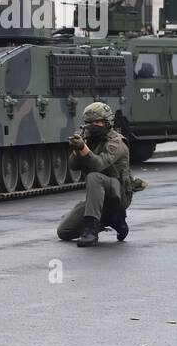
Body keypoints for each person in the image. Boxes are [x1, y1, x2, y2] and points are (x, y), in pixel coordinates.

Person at [56, 101, 135, 247]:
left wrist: (83, 148)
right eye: (89, 123)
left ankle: (91, 229)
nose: (93, 126)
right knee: (64, 231)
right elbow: (73, 166)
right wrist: (77, 149)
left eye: (97, 122)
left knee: (94, 177)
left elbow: (98, 165)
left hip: (118, 195)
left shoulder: (117, 143)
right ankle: (113, 220)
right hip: (98, 198)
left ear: (107, 122)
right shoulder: (90, 140)